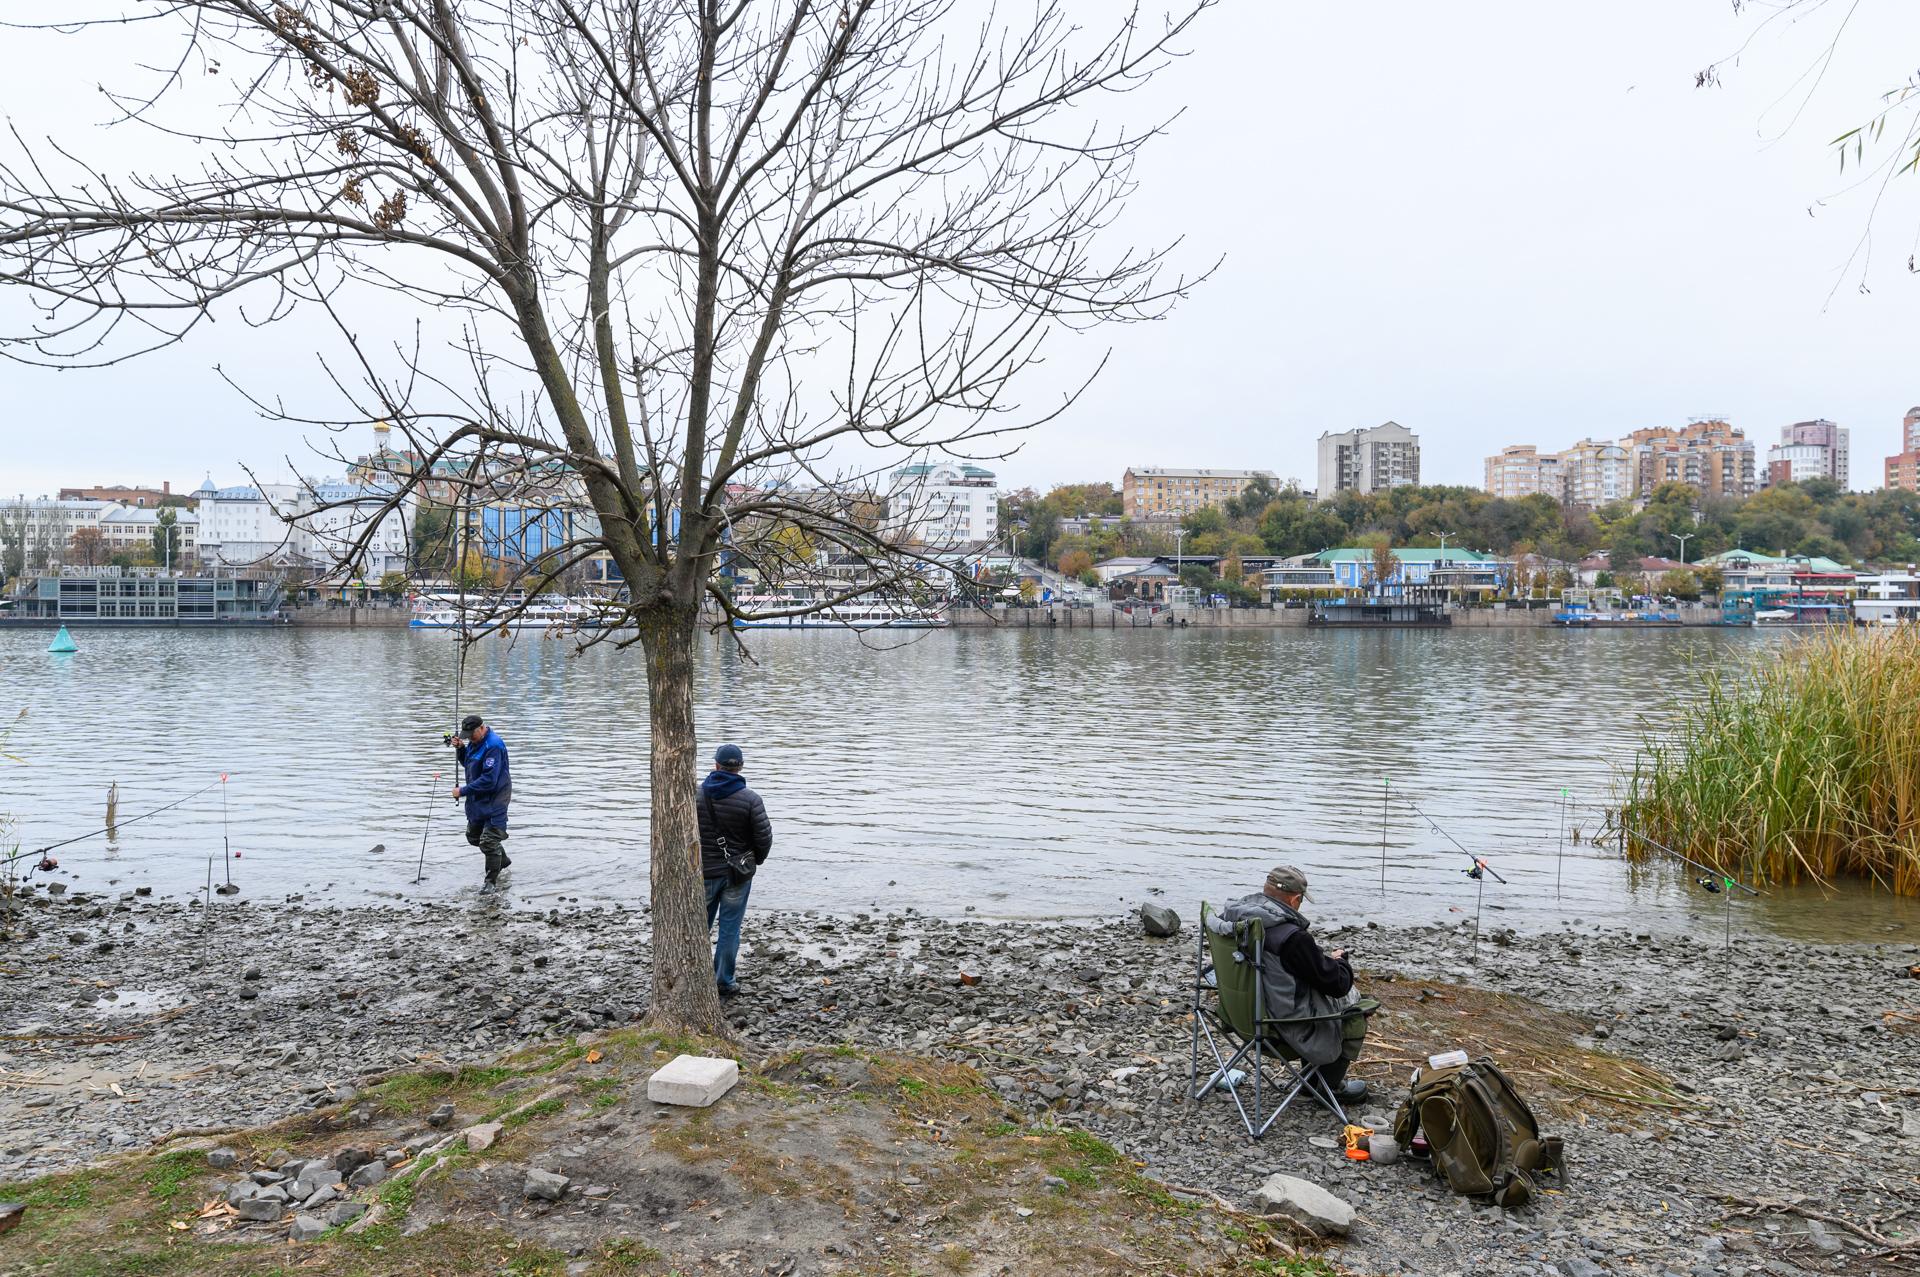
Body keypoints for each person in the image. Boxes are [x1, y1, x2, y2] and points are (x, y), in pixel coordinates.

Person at [1221, 864, 1371, 1102]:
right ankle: (1326, 1088)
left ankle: (1312, 1081)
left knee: (1311, 991)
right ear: (1295, 900)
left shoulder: (1238, 922)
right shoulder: (1291, 938)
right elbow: (1337, 985)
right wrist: (1341, 962)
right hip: (1282, 1027)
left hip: (1242, 1017)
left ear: (1265, 890)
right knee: (1355, 1009)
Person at [695, 743, 772, 997]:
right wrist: (754, 863)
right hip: (737, 874)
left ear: (716, 765)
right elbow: (763, 838)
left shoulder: (695, 795)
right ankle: (724, 981)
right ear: (739, 767)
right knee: (730, 929)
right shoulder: (750, 799)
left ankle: (693, 977)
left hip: (703, 873)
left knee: (698, 928)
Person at [451, 713, 512, 890]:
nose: (470, 739)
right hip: (478, 797)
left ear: (481, 728)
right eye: (466, 737)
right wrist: (462, 749)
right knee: (473, 836)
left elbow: (489, 780)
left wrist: (462, 791)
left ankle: (490, 882)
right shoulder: (474, 743)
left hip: (496, 797)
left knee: (488, 841)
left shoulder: (493, 745)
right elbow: (469, 764)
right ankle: (502, 859)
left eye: (471, 735)